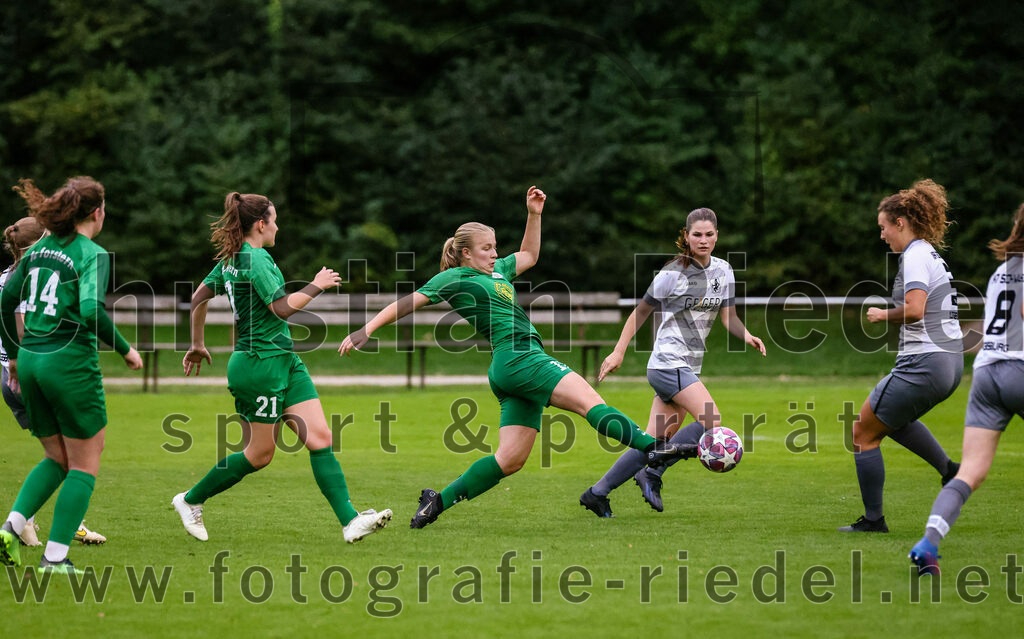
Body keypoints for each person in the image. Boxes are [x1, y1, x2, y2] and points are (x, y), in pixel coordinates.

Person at [339, 186, 693, 530]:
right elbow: (410, 301)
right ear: (465, 254)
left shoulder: (497, 273)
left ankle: (437, 501)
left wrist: (533, 215)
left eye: (495, 246)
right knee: (590, 403)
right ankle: (659, 449)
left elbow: (529, 256)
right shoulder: (455, 277)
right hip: (520, 358)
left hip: (509, 368)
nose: (494, 253)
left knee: (510, 460)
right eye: (486, 248)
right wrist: (366, 329)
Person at [175, 192, 391, 544]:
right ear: (261, 224)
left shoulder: (233, 259)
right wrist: (316, 286)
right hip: (258, 365)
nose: (278, 225)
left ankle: (350, 521)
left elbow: (198, 297)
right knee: (259, 454)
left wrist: (198, 343)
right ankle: (189, 500)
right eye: (274, 219)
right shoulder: (255, 259)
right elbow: (280, 308)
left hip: (284, 361)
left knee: (320, 438)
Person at [581, 207, 766, 517]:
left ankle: (597, 493)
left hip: (689, 366)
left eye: (709, 235)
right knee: (712, 423)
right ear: (687, 236)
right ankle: (653, 472)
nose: (703, 240)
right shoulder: (671, 273)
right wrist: (618, 351)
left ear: (717, 236)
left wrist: (746, 335)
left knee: (653, 442)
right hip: (667, 363)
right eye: (697, 235)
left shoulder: (724, 271)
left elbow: (729, 317)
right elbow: (640, 312)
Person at [0, 177, 143, 574]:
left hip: (30, 360)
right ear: (97, 212)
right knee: (84, 460)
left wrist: (13, 356)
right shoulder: (91, 253)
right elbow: (92, 310)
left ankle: (10, 528)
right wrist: (127, 350)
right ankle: (55, 557)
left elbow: (5, 300)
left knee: (56, 456)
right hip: (68, 363)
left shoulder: (41, 247)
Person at [839, 179, 963, 533]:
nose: (881, 236)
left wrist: (882, 314)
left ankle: (873, 520)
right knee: (891, 420)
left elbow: (915, 310)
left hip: (925, 362)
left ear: (900, 223)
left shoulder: (916, 256)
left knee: (862, 432)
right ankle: (950, 470)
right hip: (948, 362)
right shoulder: (927, 252)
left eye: (883, 227)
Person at [909, 202, 1024, 574]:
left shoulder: (1003, 271)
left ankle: (929, 543)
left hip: (988, 373)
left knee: (970, 471)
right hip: (1020, 367)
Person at [0, 218, 109, 548]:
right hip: (33, 372)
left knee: (61, 455)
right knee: (72, 458)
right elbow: (24, 329)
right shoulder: (36, 276)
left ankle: (27, 524)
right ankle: (38, 528)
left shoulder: (8, 276)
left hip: (15, 373)